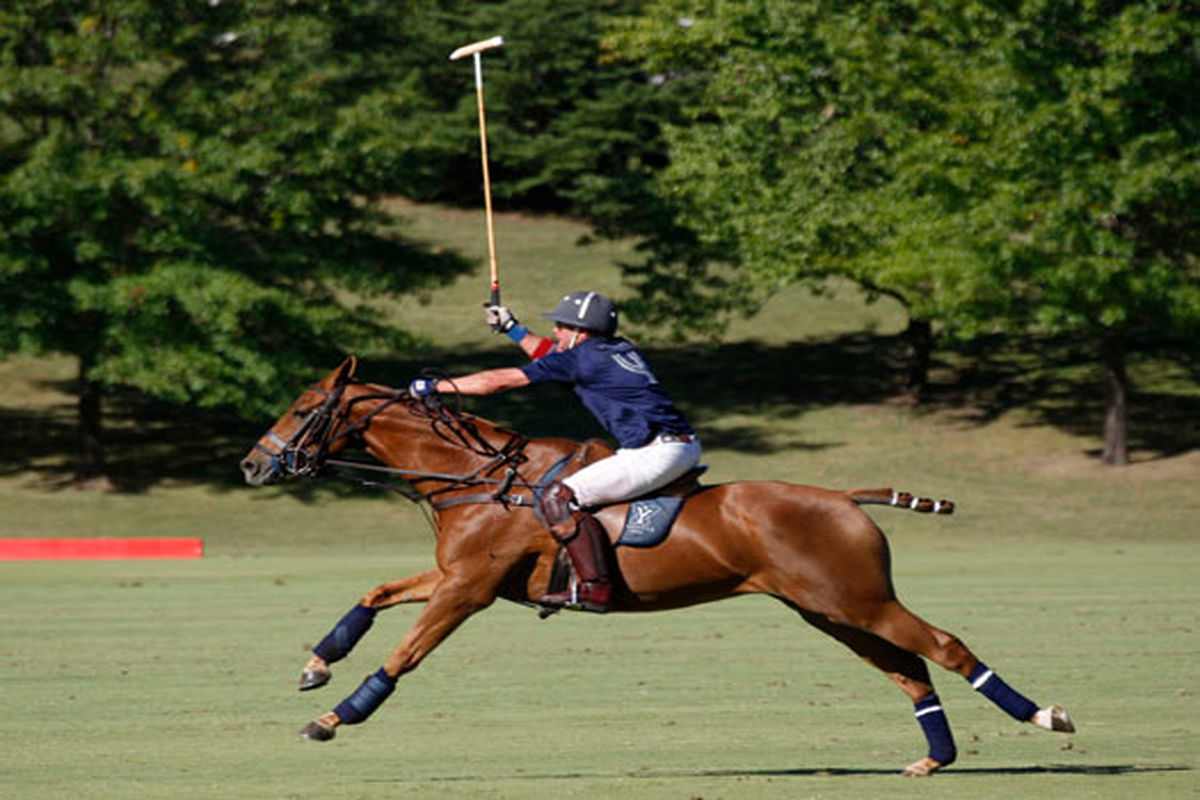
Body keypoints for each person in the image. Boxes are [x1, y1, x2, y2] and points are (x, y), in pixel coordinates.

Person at [408, 291, 701, 613]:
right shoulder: (614, 349)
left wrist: (434, 387)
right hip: (673, 446)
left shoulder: (584, 358)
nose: (556, 332)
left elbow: (500, 381)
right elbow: (549, 354)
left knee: (558, 496)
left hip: (656, 453)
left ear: (581, 331)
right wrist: (512, 328)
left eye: (562, 326)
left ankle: (594, 588)